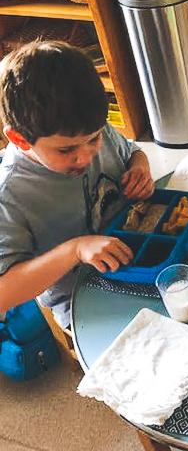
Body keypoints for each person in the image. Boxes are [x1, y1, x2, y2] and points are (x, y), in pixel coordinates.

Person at [0, 41, 155, 328]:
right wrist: (76, 250)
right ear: (20, 139)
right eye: (65, 150)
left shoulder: (88, 129)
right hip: (85, 303)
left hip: (138, 258)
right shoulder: (9, 195)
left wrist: (139, 167)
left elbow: (134, 151)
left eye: (94, 139)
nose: (86, 155)